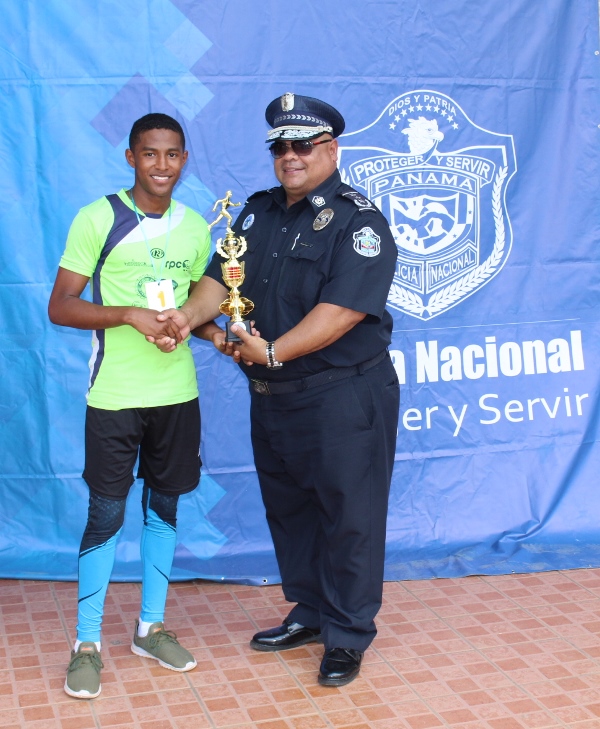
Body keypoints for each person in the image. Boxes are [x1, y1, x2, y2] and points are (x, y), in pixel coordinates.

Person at [154, 93, 400, 686]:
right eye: (281, 146)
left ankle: (347, 633)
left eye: (303, 145)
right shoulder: (256, 213)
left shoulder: (359, 222)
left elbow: (342, 311)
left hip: (341, 394)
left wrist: (271, 352)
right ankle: (311, 612)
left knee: (349, 516)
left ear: (331, 149)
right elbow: (220, 281)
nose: (290, 155)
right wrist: (187, 319)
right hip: (275, 396)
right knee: (291, 510)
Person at [48, 113, 211, 699]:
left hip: (177, 394)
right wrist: (128, 315)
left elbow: (199, 306)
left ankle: (150, 629)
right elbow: (61, 306)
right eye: (149, 154)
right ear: (131, 157)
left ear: (184, 159)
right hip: (115, 395)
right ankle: (86, 644)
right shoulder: (98, 218)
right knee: (106, 516)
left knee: (164, 509)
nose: (161, 165)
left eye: (171, 154)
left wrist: (201, 329)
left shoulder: (196, 227)